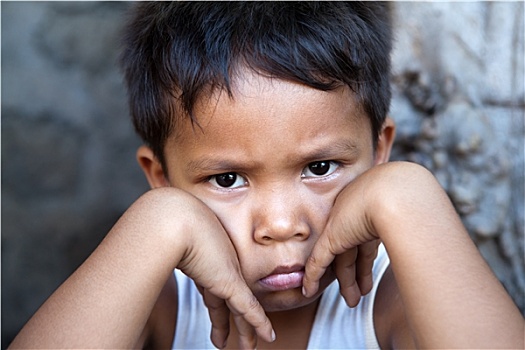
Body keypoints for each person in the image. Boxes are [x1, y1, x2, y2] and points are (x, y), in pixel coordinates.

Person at [9, 2, 524, 349]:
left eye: (320, 168)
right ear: (160, 177)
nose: (280, 224)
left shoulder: (390, 299)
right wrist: (157, 224)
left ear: (379, 151)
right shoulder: (165, 298)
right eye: (228, 179)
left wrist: (409, 198)